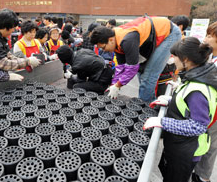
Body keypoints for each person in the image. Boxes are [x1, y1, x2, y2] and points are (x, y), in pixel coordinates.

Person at [143, 37, 217, 182]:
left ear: (187, 60)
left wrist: (162, 122)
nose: (172, 59)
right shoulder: (196, 77)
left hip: (187, 150)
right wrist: (170, 100)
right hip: (180, 144)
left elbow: (197, 126)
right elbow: (187, 104)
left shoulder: (198, 90)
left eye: (175, 55)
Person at [90, 16, 182, 102]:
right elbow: (121, 67)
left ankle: (147, 109)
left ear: (110, 40)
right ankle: (148, 99)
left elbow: (132, 69)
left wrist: (118, 85)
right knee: (142, 73)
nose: (104, 51)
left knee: (148, 77)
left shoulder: (127, 40)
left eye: (103, 47)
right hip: (152, 37)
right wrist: (113, 85)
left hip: (169, 33)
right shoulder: (116, 41)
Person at [0, 9, 40, 74]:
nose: (13, 30)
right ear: (5, 26)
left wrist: (26, 61)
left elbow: (8, 56)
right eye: (12, 27)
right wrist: (27, 61)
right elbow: (3, 64)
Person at [192, 22, 217, 182]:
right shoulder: (212, 58)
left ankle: (203, 177)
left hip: (215, 111)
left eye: (210, 36)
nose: (206, 38)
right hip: (210, 107)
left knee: (211, 143)